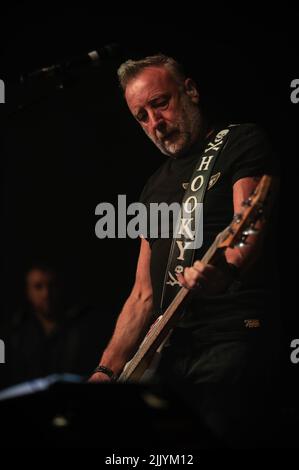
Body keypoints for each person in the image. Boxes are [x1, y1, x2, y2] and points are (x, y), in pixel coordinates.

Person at [89, 54, 279, 447]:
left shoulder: (240, 141)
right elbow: (142, 295)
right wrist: (106, 371)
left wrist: (224, 272)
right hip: (173, 349)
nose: (155, 123)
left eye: (160, 103)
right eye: (141, 116)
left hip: (232, 337)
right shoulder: (152, 186)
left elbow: (249, 229)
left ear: (189, 90)